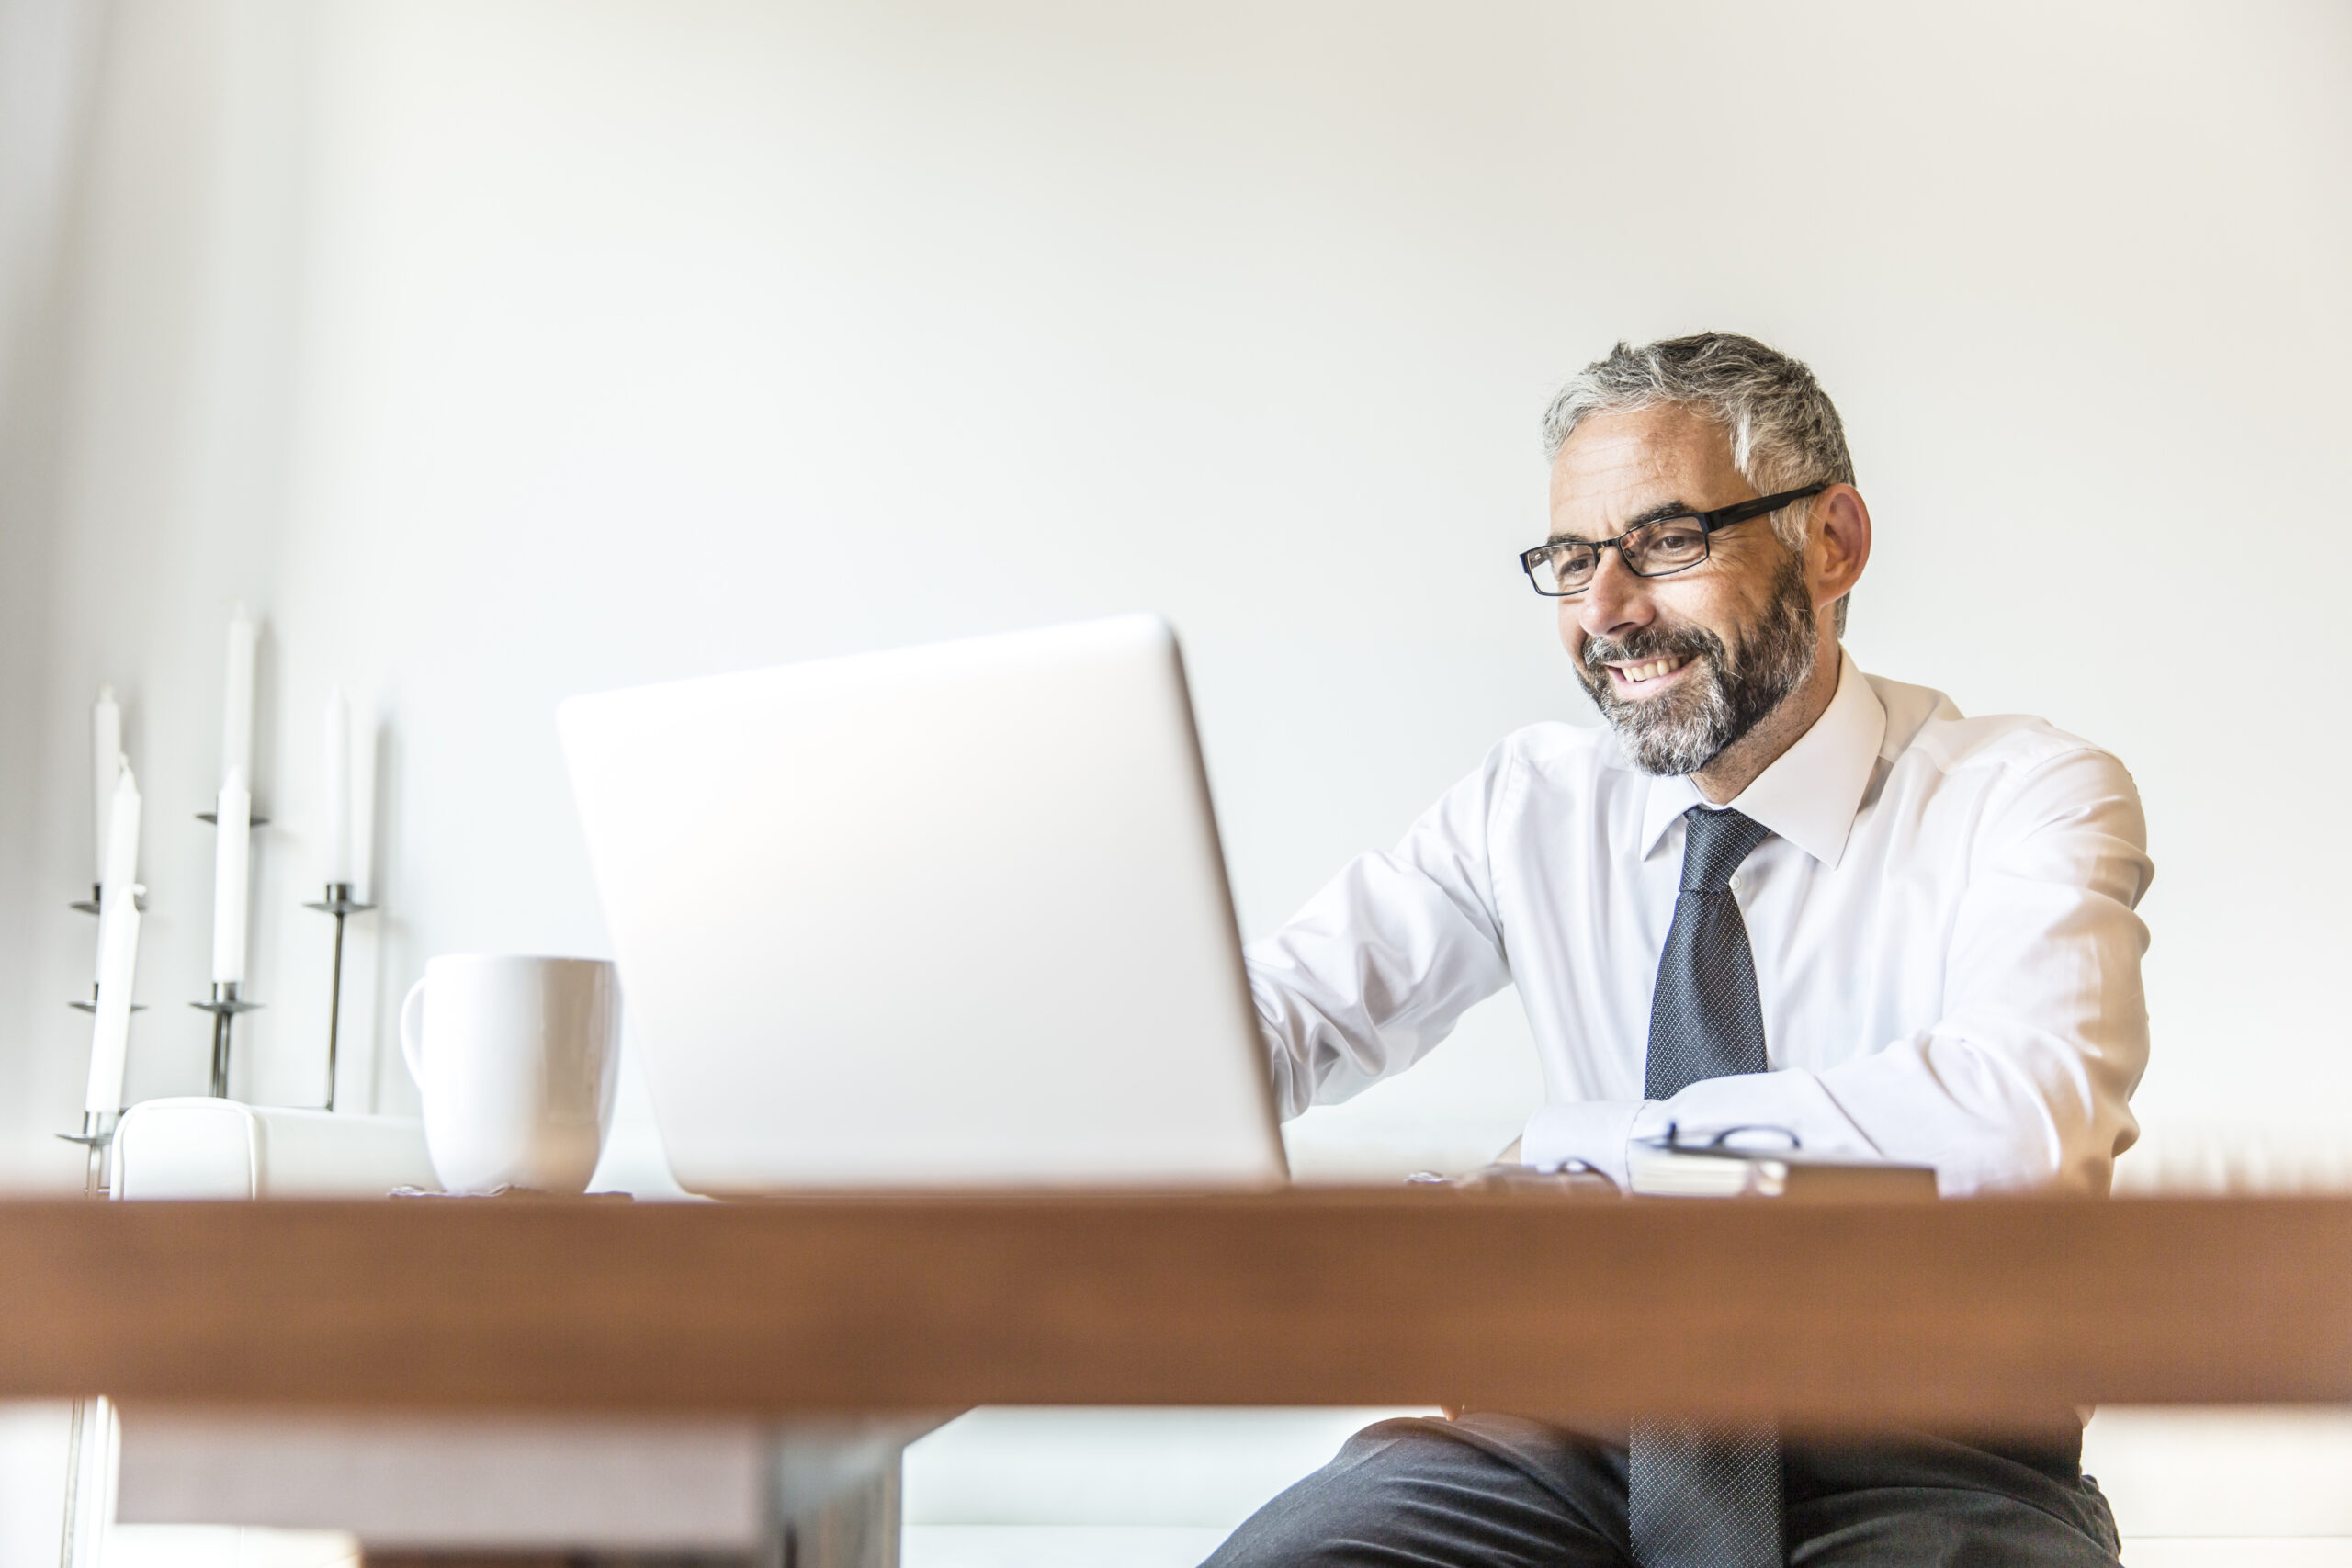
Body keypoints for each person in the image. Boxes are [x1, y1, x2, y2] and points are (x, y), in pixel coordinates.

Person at [1208, 333, 2151, 1567]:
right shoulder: (1529, 806)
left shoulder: (2025, 796)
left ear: (1831, 543)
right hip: (1565, 1439)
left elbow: (2015, 1125)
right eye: (1571, 560)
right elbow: (1278, 1018)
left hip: (1926, 1454)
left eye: (1666, 542)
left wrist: (1582, 1158)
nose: (1606, 610)